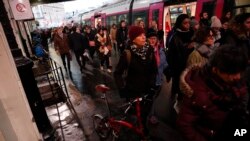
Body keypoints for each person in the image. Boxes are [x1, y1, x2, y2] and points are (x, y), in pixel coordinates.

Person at [178, 44, 249, 141]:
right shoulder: (197, 92)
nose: (238, 77)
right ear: (215, 70)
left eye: (239, 72)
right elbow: (185, 125)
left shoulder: (234, 80)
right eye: (232, 73)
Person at [114, 26, 157, 99]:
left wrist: (152, 85)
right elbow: (117, 73)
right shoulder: (127, 53)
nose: (143, 37)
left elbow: (154, 69)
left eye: (143, 35)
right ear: (133, 39)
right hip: (132, 92)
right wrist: (122, 88)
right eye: (140, 36)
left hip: (147, 90)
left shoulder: (149, 50)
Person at [166, 14, 194, 101]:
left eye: (189, 23)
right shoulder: (174, 36)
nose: (188, 25)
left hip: (190, 66)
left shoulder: (192, 33)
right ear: (179, 24)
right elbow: (172, 55)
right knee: (179, 88)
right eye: (185, 23)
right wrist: (187, 48)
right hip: (178, 68)